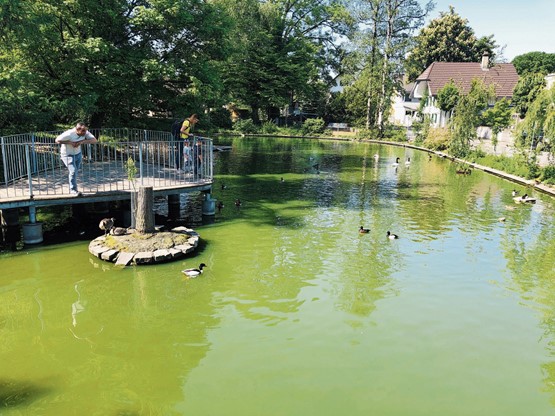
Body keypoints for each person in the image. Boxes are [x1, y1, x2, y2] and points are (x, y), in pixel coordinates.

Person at [55, 122, 97, 196]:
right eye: (83, 131)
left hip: (78, 154)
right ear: (77, 130)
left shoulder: (85, 132)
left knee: (75, 172)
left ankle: (74, 187)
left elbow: (94, 140)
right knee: (73, 171)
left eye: (85, 130)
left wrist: (82, 141)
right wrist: (70, 142)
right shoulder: (69, 134)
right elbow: (57, 140)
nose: (85, 133)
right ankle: (73, 190)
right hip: (67, 155)